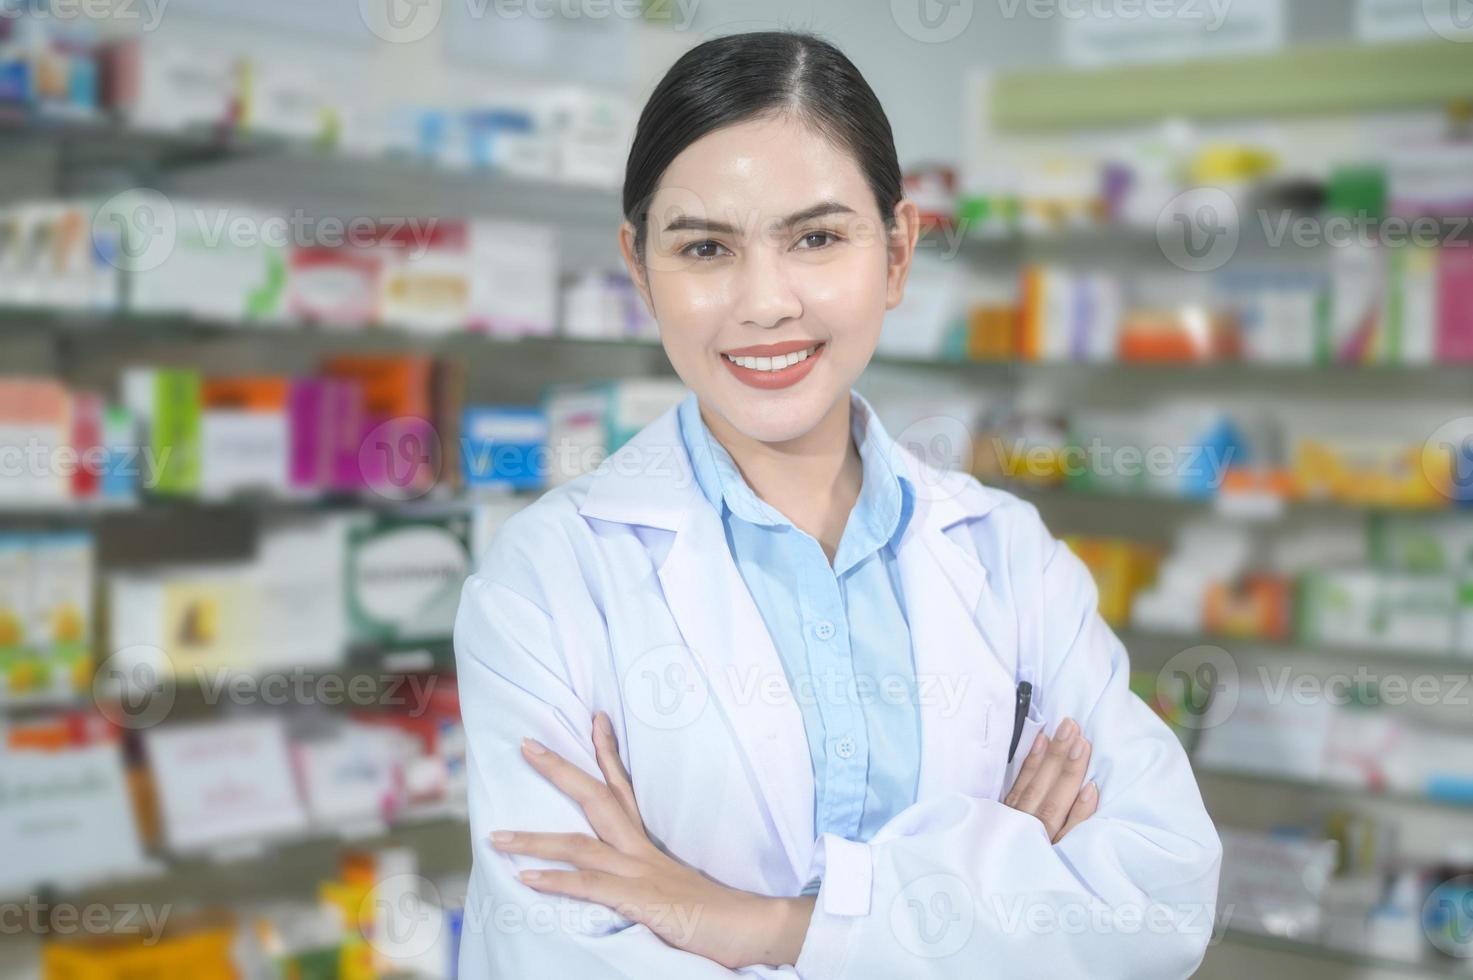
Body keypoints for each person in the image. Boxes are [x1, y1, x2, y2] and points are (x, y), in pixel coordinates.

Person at [453, 30, 1221, 979]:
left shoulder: (1006, 555)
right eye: (704, 247)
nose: (765, 302)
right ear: (640, 268)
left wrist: (764, 926)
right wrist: (981, 884)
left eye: (815, 238)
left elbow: (1158, 896)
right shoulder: (547, 581)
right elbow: (557, 956)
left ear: (896, 253)